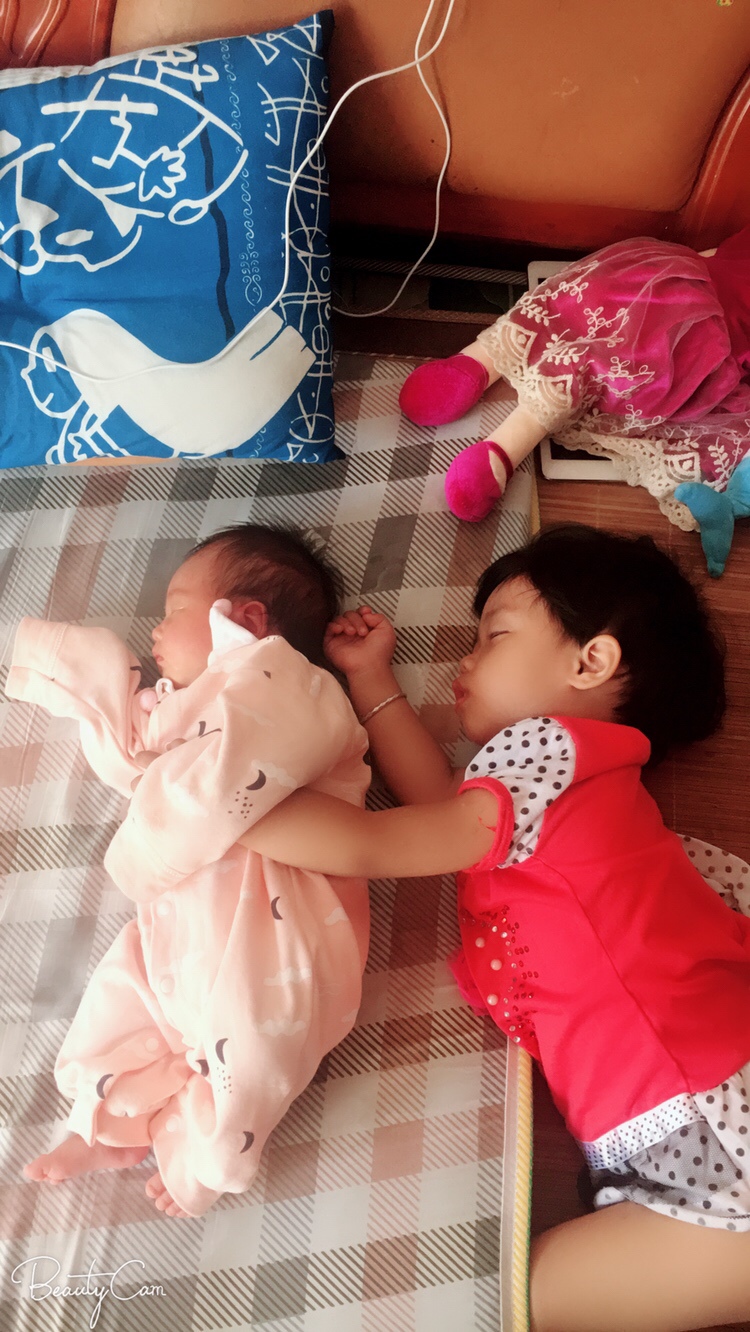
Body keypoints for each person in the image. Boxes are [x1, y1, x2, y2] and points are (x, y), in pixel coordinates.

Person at [237, 524, 750, 1332]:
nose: (465, 661)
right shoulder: (572, 789)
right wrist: (372, 680)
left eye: (496, 635)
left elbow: (380, 844)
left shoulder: (553, 751)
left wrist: (228, 806)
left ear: (592, 662)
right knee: (509, 1301)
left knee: (499, 1303)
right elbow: (441, 803)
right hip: (686, 1133)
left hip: (709, 1128)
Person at [5, 524, 370, 1219]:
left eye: (174, 609)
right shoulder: (189, 706)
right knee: (119, 998)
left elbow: (218, 779)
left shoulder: (291, 685)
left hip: (278, 933)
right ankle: (103, 1126)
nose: (155, 628)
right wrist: (77, 680)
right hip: (182, 928)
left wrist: (147, 837)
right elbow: (137, 754)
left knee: (257, 1044)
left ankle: (208, 1160)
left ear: (244, 620)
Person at [398, 229, 750, 576]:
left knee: (589, 323)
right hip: (693, 301)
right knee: (617, 346)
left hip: (678, 280)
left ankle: (489, 398)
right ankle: (487, 397)